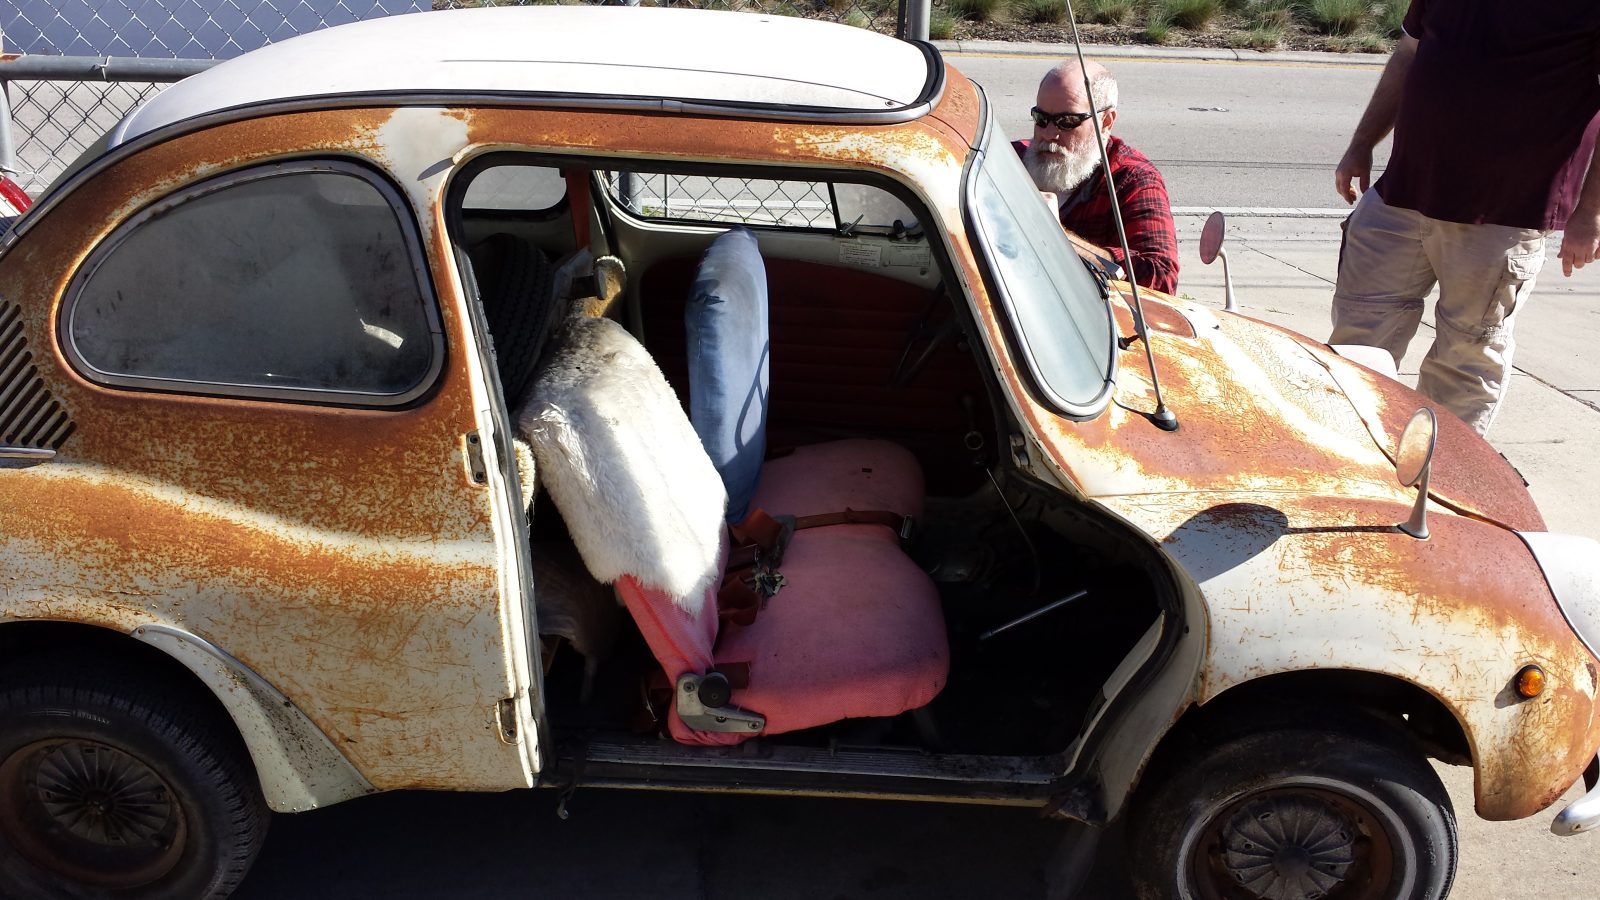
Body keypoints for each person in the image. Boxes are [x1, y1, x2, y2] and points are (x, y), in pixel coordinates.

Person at [1330, 0, 1600, 436]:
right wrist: (1362, 143)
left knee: (1465, 361)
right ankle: (1351, 455)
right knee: (1355, 346)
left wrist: (1590, 211)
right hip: (1401, 195)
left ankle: (1442, 472)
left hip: (1504, 214)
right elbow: (1408, 54)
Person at [1014, 60, 1179, 295]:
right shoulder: (1010, 159)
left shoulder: (1132, 179)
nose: (1049, 134)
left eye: (1067, 122)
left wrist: (1058, 236)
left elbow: (1161, 278)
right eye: (1041, 118)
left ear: (1106, 122)